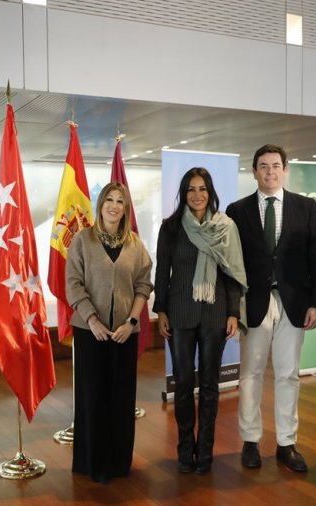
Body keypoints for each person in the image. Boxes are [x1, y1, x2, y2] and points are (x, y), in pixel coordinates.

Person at [226, 143, 316, 472]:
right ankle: (250, 441)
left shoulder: (305, 207)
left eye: (276, 166)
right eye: (263, 166)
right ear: (254, 171)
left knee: (288, 375)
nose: (270, 172)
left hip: (294, 303)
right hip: (254, 302)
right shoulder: (236, 210)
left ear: (285, 170)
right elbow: (231, 263)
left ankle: (287, 443)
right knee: (250, 374)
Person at [153, 167, 248, 474]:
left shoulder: (226, 227)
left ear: (211, 193)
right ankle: (184, 451)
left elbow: (233, 273)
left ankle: (205, 452)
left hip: (215, 314)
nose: (197, 195)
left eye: (203, 188)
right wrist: (162, 311)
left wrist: (233, 311)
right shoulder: (170, 228)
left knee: (209, 385)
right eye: (192, 189)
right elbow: (162, 273)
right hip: (180, 314)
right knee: (182, 385)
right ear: (184, 193)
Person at [65, 182, 153, 483]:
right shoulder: (82, 240)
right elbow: (73, 284)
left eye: (120, 201)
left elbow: (144, 285)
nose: (114, 206)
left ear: (125, 208)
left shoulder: (135, 244)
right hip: (91, 332)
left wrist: (131, 322)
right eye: (109, 200)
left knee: (121, 397)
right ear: (100, 205)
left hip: (123, 334)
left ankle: (119, 462)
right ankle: (94, 463)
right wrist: (92, 320)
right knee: (93, 396)